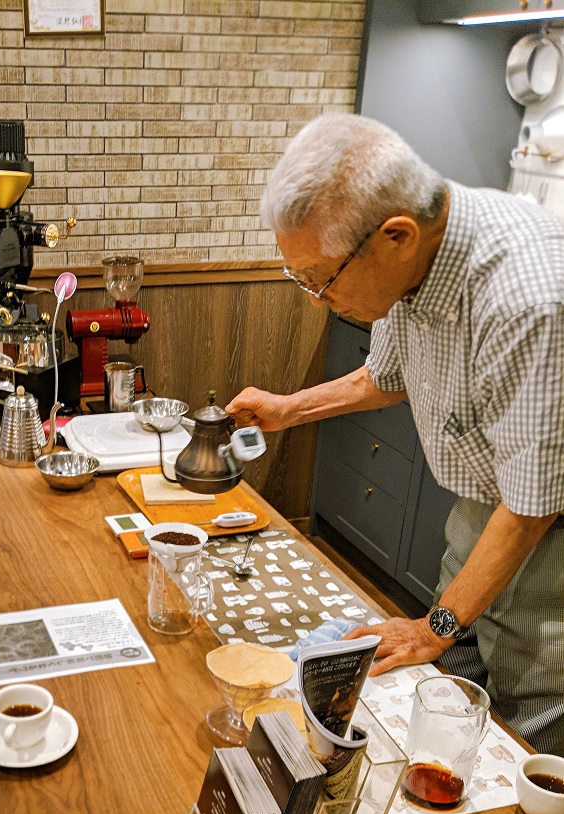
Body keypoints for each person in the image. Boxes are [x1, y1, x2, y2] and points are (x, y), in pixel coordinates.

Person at [227, 113, 564, 755]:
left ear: (396, 235)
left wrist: (436, 625)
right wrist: (288, 408)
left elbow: (531, 507)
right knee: (437, 713)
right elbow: (387, 374)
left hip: (550, 557)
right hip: (480, 522)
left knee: (525, 755)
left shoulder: (528, 295)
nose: (317, 299)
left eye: (321, 280)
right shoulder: (412, 270)